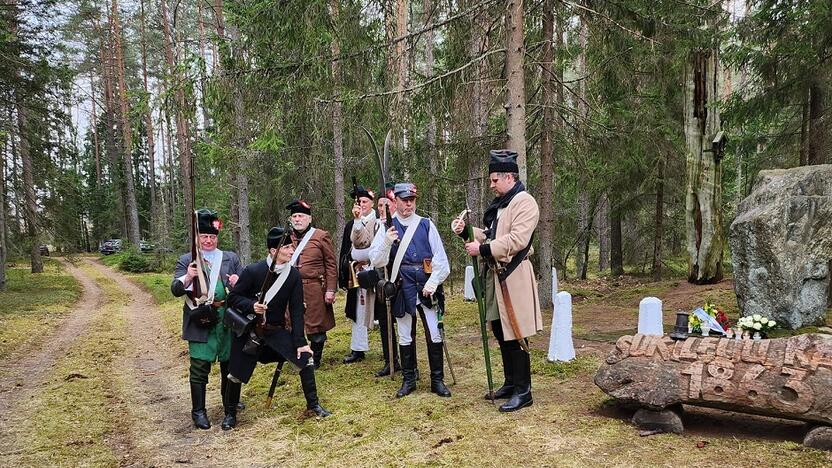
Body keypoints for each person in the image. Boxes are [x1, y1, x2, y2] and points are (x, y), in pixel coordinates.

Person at [451, 150, 543, 412]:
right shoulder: (502, 204)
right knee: (501, 330)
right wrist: (466, 232)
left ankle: (524, 392)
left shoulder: (525, 202)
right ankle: (511, 383)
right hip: (496, 276)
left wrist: (481, 250)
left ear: (509, 177)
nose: (491, 185)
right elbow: (491, 235)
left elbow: (517, 240)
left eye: (494, 180)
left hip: (514, 276)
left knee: (516, 331)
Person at [224, 226, 331, 430]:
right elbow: (233, 298)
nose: (292, 251)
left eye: (292, 246)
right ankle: (230, 414)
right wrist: (251, 306)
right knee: (235, 374)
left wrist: (300, 342)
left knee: (305, 360)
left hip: (275, 331)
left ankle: (313, 405)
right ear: (273, 251)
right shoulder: (253, 271)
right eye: (287, 247)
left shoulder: (293, 276)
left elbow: (298, 310)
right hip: (251, 333)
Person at [369, 182, 451, 398]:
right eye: (404, 200)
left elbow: (441, 260)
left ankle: (437, 380)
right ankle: (409, 380)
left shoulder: (426, 225)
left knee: (434, 332)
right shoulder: (387, 227)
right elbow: (376, 261)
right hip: (401, 285)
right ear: (395, 201)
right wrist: (387, 241)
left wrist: (433, 282)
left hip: (427, 284)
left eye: (411, 200)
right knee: (405, 334)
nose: (408, 204)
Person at [171, 208, 243, 429]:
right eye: (204, 237)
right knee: (200, 366)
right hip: (201, 318)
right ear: (197, 238)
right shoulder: (187, 259)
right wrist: (188, 276)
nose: (209, 240)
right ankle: (198, 411)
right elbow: (175, 289)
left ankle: (229, 408)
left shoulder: (230, 257)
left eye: (212, 236)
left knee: (229, 366)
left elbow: (243, 286)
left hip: (226, 320)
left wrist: (237, 280)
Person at [337, 185, 401, 376]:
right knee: (360, 311)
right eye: (359, 202)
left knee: (388, 316)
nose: (362, 205)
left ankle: (398, 359)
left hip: (383, 274)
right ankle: (363, 349)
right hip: (359, 272)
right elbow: (352, 245)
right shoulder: (355, 223)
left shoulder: (380, 223)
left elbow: (371, 246)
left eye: (366, 201)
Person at [286, 199, 338, 369]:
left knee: (316, 326)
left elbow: (331, 264)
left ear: (309, 218)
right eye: (294, 216)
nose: (297, 219)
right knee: (292, 323)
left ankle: (315, 359)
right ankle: (298, 357)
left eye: (301, 216)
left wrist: (330, 289)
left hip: (314, 287)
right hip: (291, 288)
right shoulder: (286, 238)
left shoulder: (321, 236)